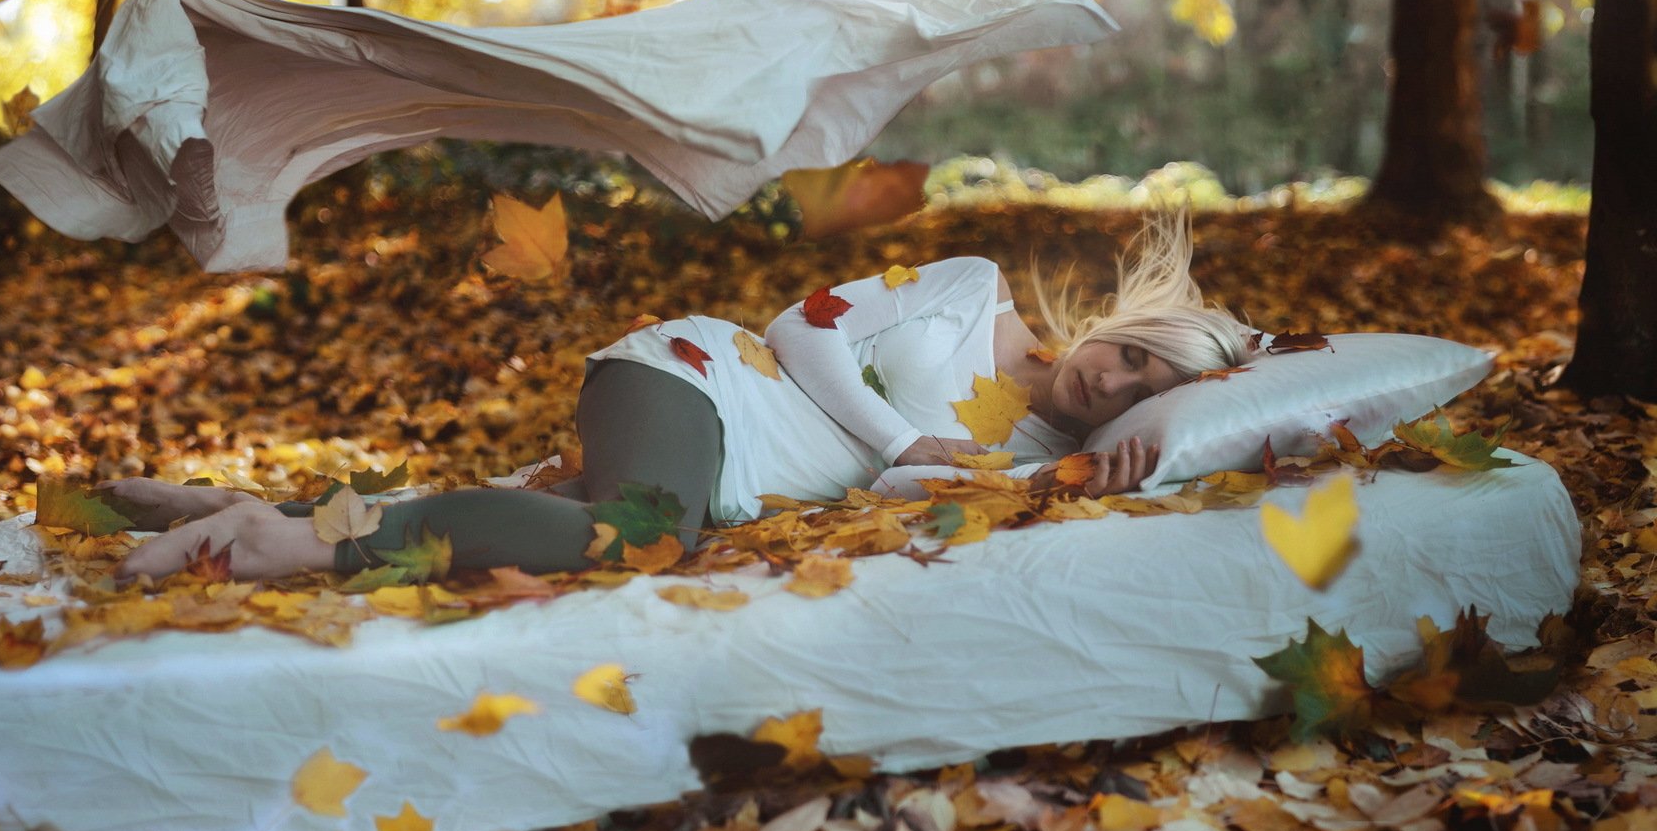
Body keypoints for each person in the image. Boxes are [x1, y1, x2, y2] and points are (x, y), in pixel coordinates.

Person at [108, 207, 1255, 583]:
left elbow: (909, 501)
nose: (1112, 380)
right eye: (1131, 354)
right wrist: (906, 436)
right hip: (702, 378)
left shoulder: (1037, 458)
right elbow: (802, 328)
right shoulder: (971, 287)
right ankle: (293, 546)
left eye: (1138, 392)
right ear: (1121, 325)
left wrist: (1086, 483)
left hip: (726, 467)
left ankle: (223, 509)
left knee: (559, 509)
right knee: (639, 532)